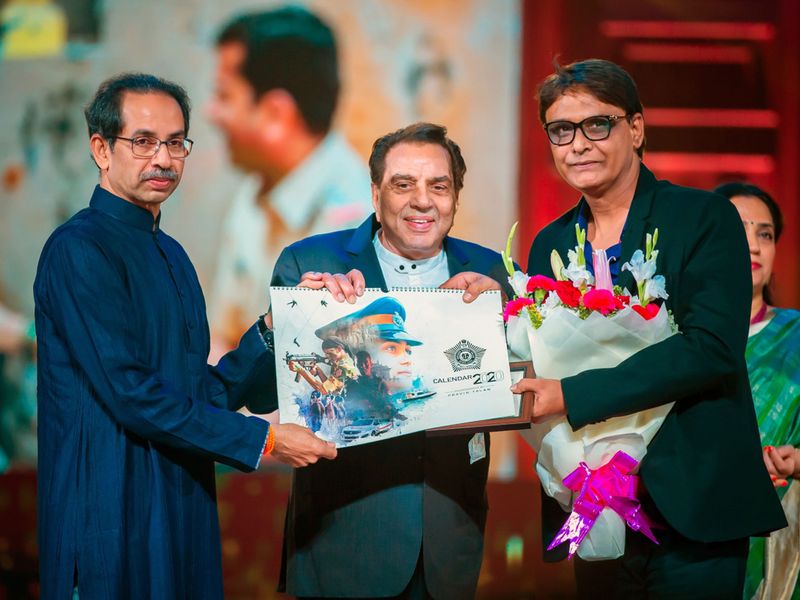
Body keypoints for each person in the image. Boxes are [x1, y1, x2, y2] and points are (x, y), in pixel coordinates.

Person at [33, 73, 336, 600]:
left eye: (176, 143)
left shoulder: (171, 254)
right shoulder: (77, 250)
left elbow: (198, 393)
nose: (164, 159)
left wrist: (275, 328)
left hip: (177, 507)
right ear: (101, 149)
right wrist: (263, 440)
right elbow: (132, 394)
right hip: (108, 509)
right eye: (144, 141)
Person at [511, 59, 787, 598]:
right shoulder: (550, 242)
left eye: (597, 124)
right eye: (561, 130)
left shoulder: (702, 219)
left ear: (635, 128)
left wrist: (569, 394)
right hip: (595, 506)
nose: (578, 144)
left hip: (692, 506)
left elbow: (710, 349)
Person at [270, 122, 510, 599]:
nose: (422, 201)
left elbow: (521, 386)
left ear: (455, 197)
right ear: (376, 193)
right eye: (403, 184)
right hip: (342, 542)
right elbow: (261, 389)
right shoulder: (311, 263)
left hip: (447, 546)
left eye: (439, 186)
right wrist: (291, 322)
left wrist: (510, 323)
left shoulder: (490, 272)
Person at [207, 6, 373, 359]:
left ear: (275, 114)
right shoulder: (254, 192)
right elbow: (224, 341)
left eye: (224, 96)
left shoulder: (357, 218)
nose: (211, 113)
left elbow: (333, 379)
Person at [713, 182, 800, 600]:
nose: (753, 246)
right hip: (697, 538)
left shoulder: (797, 336)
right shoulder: (671, 337)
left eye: (764, 234)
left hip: (785, 541)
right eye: (736, 230)